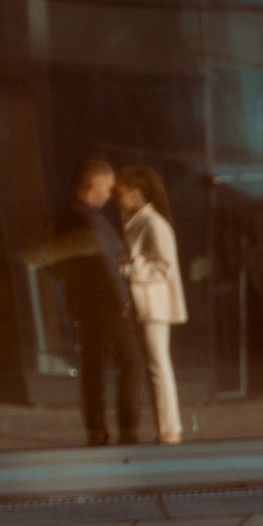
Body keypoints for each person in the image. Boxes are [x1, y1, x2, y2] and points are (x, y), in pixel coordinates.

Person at [47, 151, 144, 447]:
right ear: (92, 184)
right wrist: (121, 298)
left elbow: (55, 259)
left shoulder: (67, 215)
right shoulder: (84, 218)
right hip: (106, 306)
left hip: (85, 304)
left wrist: (77, 282)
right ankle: (126, 432)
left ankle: (97, 431)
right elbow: (103, 262)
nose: (110, 193)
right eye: (107, 186)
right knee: (133, 363)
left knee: (92, 369)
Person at [115, 164, 186, 443]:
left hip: (154, 304)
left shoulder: (153, 223)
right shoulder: (141, 220)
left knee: (158, 365)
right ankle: (167, 428)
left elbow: (163, 266)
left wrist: (130, 271)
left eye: (120, 193)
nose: (116, 198)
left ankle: (170, 428)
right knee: (156, 365)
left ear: (137, 193)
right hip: (147, 303)